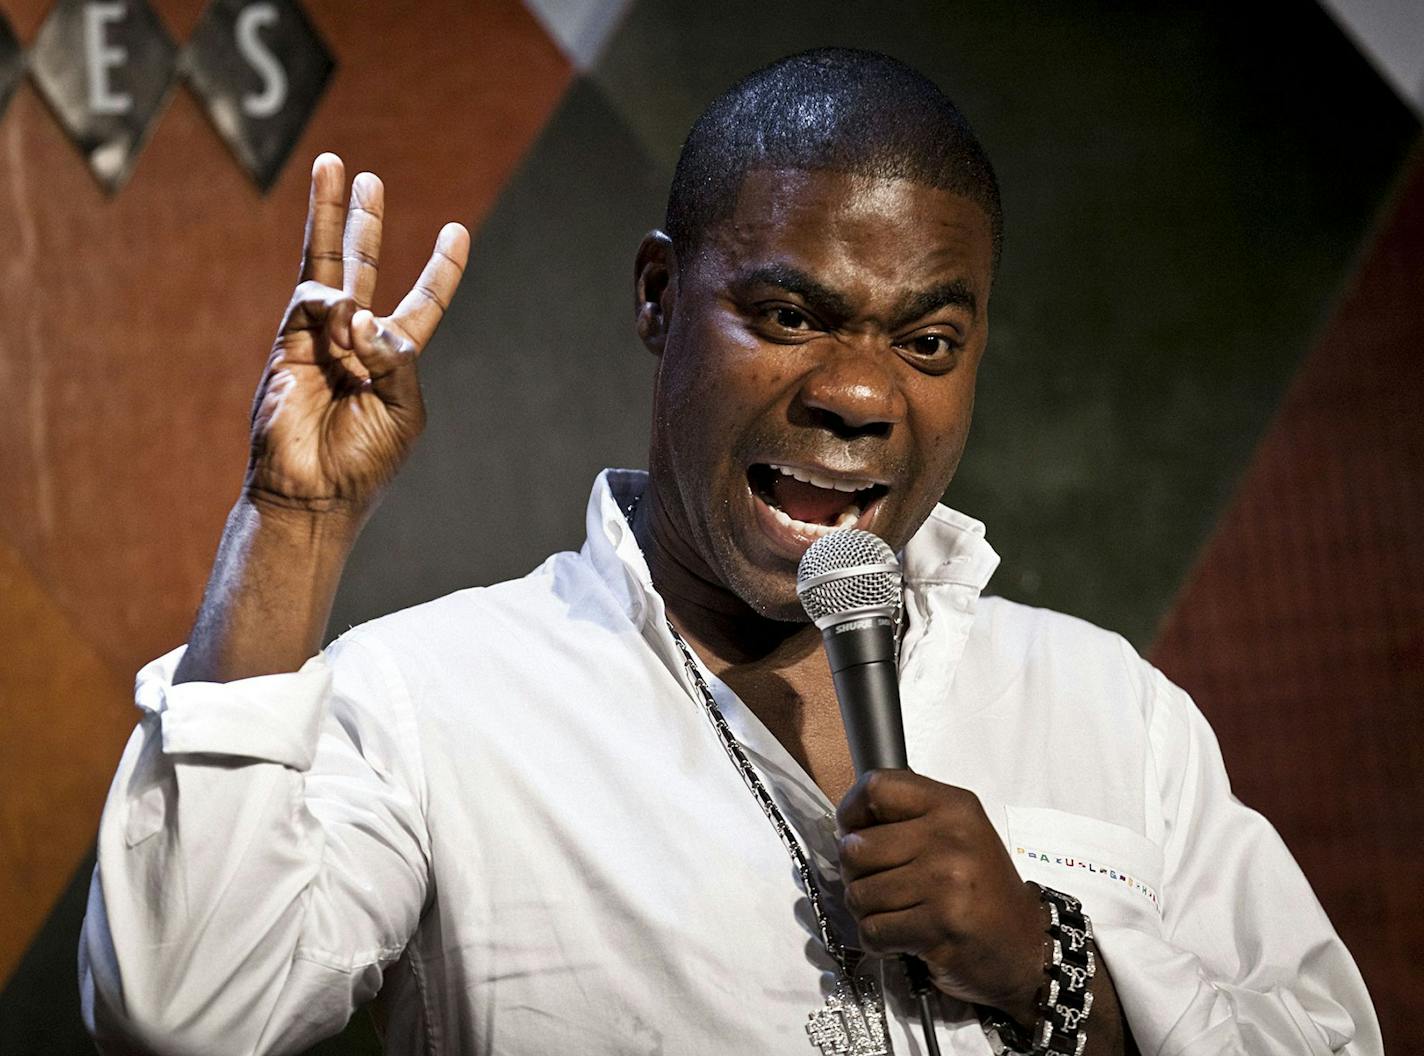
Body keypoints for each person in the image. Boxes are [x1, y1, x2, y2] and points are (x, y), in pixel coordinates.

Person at [79, 49, 1377, 1056]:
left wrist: (1054, 965)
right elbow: (186, 1014)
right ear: (659, 296)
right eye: (791, 314)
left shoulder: (1113, 711)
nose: (861, 395)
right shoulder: (439, 703)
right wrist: (293, 523)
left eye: (927, 342)